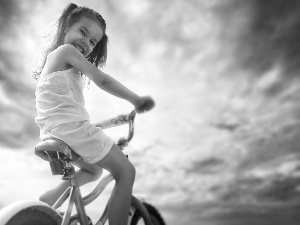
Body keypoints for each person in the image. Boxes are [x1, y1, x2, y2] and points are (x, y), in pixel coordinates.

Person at [34, 3, 155, 225]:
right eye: (83, 32)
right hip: (71, 130)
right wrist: (136, 100)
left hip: (55, 131)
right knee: (126, 172)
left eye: (93, 42)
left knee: (94, 170)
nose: (86, 43)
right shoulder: (66, 52)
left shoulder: (54, 63)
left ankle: (49, 199)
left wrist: (96, 127)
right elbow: (103, 80)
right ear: (65, 29)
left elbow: (65, 114)